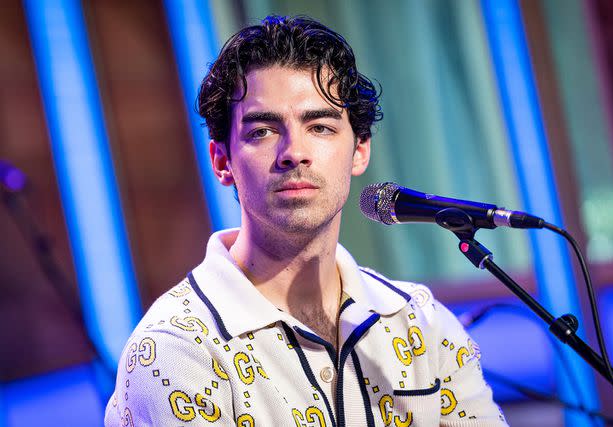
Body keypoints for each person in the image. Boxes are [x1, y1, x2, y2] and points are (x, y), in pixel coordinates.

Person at [105, 15, 507, 426]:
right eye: (262, 131)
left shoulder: (419, 320)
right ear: (222, 161)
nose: (294, 151)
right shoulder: (177, 350)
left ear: (360, 151)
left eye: (319, 126)